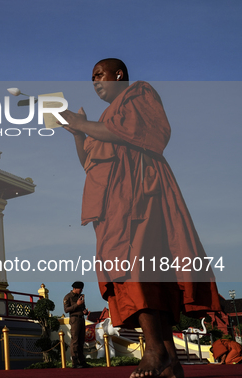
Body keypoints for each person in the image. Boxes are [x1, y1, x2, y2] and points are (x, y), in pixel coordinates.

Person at [60, 58, 221, 378]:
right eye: (91, 78)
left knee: (139, 267)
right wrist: (78, 134)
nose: (95, 81)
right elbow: (89, 163)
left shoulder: (139, 94)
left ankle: (155, 349)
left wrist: (84, 126)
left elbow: (135, 133)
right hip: (110, 205)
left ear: (119, 75)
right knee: (127, 271)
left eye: (99, 75)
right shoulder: (104, 118)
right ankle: (170, 360)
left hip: (138, 194)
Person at [63, 281, 90, 368]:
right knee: (75, 341)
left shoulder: (80, 297)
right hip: (74, 319)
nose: (81, 291)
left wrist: (85, 312)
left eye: (82, 289)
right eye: (80, 289)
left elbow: (83, 307)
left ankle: (82, 361)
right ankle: (75, 362)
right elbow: (66, 309)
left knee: (81, 341)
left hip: (82, 319)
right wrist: (76, 304)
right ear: (75, 288)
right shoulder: (68, 297)